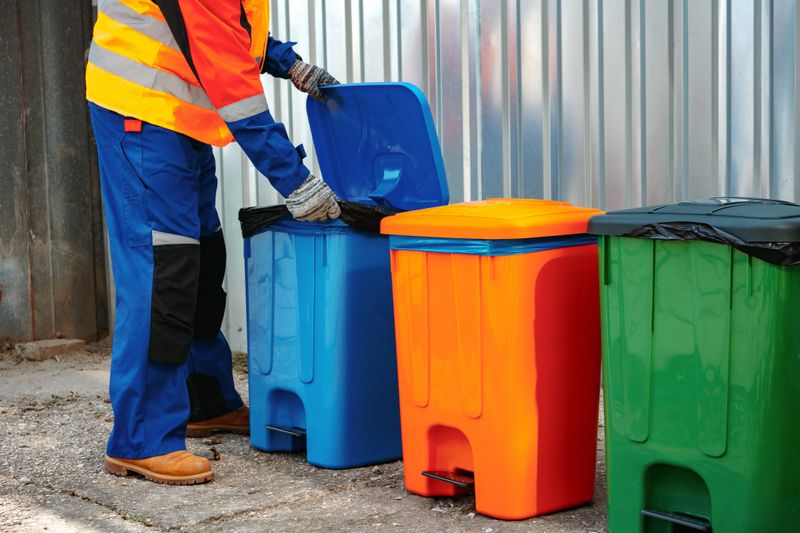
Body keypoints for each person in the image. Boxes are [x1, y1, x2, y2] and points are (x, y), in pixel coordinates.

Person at [86, 0, 340, 485]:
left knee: (202, 257)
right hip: (141, 111)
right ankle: (142, 439)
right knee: (166, 270)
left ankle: (204, 400)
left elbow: (229, 25)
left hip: (175, 113)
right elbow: (232, 85)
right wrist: (295, 181)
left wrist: (287, 61)